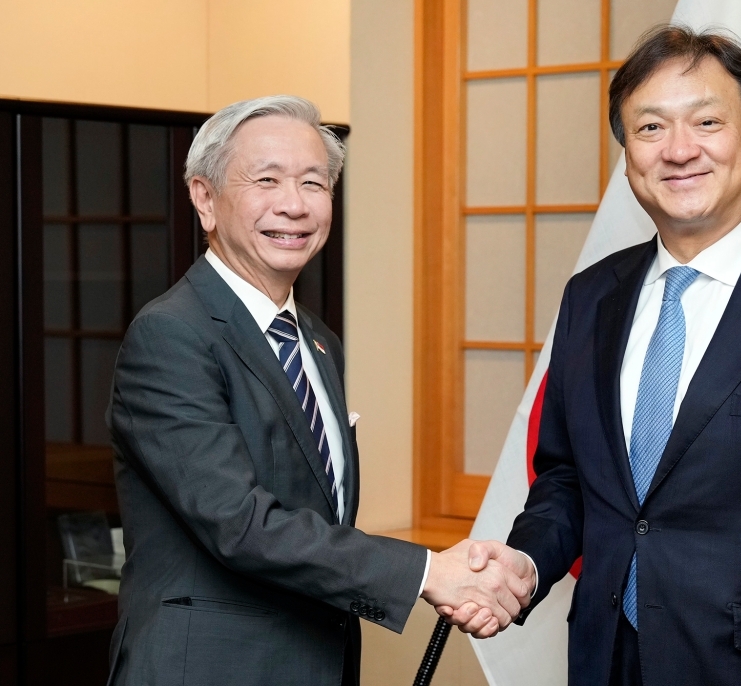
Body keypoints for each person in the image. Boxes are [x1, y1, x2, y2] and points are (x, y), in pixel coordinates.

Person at [449, 25, 741, 685]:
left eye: (706, 121)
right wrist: (526, 563)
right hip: (606, 660)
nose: (679, 150)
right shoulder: (592, 296)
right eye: (649, 129)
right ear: (626, 153)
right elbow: (566, 477)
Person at [106, 95, 528, 686]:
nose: (294, 205)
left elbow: (317, 511)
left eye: (314, 182)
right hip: (209, 667)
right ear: (205, 198)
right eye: (267, 180)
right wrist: (428, 573)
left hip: (315, 659)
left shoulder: (319, 342)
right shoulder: (171, 335)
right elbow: (240, 523)